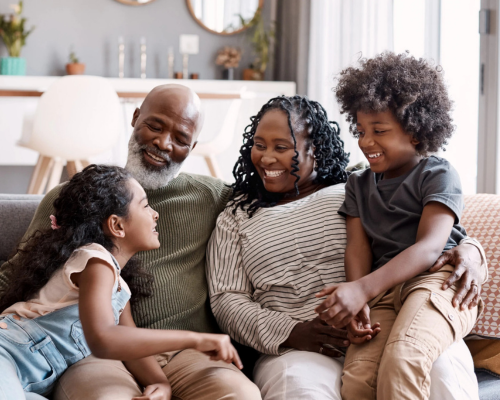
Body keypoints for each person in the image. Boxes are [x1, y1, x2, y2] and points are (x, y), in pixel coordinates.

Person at [207, 95, 488, 400]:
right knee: (302, 389)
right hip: (299, 348)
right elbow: (226, 300)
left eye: (282, 147)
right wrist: (292, 331)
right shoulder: (235, 216)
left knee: (441, 369)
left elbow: (433, 234)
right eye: (259, 145)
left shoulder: (354, 184)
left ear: (315, 148)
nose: (266, 158)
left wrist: (472, 249)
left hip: (389, 318)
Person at [0, 84, 261, 400]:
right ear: (136, 117)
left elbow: (272, 197)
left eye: (180, 139)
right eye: (155, 125)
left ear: (192, 148)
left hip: (178, 356)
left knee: (239, 395)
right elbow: (14, 277)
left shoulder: (210, 197)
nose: (162, 143)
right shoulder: (76, 204)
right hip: (89, 357)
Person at [314, 52, 484, 400]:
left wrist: (362, 290)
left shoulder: (437, 173)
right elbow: (357, 247)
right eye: (361, 130)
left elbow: (429, 248)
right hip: (384, 292)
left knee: (404, 358)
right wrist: (359, 296)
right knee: (359, 379)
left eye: (380, 131)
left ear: (417, 133)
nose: (366, 141)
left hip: (437, 281)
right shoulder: (358, 184)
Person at [0, 165, 241, 400]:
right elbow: (104, 339)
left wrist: (160, 383)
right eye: (145, 206)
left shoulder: (118, 286)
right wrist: (196, 339)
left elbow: (127, 341)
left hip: (28, 379)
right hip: (8, 354)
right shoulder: (95, 261)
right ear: (117, 225)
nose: (155, 213)